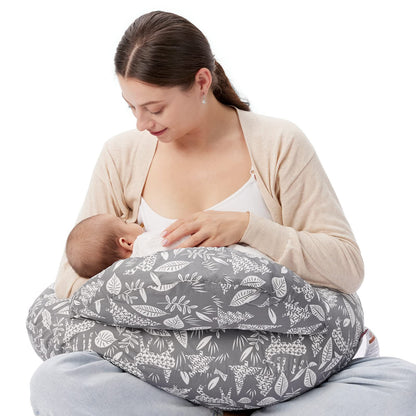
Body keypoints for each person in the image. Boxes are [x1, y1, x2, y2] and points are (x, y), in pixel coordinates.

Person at [30, 10, 416, 416]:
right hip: (161, 384)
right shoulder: (122, 155)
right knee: (57, 382)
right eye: (132, 108)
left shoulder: (278, 143)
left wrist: (249, 228)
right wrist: (159, 298)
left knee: (401, 388)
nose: (142, 123)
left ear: (201, 82)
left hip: (289, 382)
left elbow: (347, 268)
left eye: (155, 108)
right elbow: (71, 279)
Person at [65, 213, 271, 279]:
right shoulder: (147, 243)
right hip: (232, 263)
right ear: (126, 243)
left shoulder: (123, 279)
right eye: (125, 222)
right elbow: (184, 242)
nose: (134, 222)